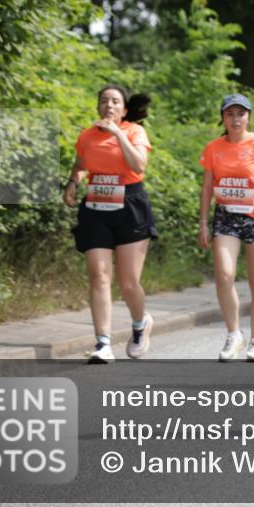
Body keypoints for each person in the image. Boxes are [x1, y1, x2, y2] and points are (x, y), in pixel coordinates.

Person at [64, 85, 157, 364]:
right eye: (104, 101)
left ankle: (140, 324)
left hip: (130, 204)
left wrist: (118, 134)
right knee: (99, 275)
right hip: (96, 205)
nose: (109, 106)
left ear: (125, 109)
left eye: (115, 102)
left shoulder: (134, 132)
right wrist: (73, 183)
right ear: (97, 106)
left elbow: (139, 165)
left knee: (128, 283)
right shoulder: (87, 135)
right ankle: (103, 342)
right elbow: (80, 163)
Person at [198, 94, 254, 363]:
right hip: (226, 217)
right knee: (224, 275)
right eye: (230, 114)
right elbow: (206, 189)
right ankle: (233, 333)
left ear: (248, 117)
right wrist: (203, 222)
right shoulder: (214, 148)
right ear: (223, 118)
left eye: (241, 114)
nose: (235, 119)